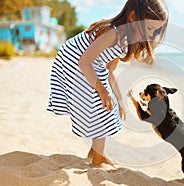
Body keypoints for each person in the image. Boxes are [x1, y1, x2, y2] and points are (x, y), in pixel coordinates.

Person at [47, 0, 168, 172]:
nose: (150, 35)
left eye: (154, 31)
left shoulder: (124, 41)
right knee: (100, 104)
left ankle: (95, 152)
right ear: (133, 17)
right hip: (74, 61)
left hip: (89, 64)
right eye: (148, 28)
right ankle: (98, 159)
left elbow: (109, 73)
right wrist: (102, 91)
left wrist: (118, 98)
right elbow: (84, 62)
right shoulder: (112, 33)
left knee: (108, 106)